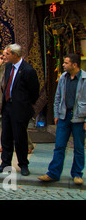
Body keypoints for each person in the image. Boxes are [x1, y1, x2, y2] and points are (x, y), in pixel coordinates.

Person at [0, 44, 39, 176]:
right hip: (7, 107)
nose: (4, 56)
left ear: (15, 55)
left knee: (20, 138)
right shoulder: (7, 67)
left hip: (20, 108)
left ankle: (23, 164)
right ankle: (5, 163)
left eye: (7, 54)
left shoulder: (27, 70)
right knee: (6, 136)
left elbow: (34, 91)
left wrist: (25, 105)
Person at [38, 54, 86, 185]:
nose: (63, 65)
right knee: (59, 146)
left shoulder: (84, 79)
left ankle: (77, 174)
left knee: (79, 147)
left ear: (74, 65)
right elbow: (57, 97)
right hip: (64, 116)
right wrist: (56, 114)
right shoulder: (63, 78)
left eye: (66, 63)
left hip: (79, 116)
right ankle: (53, 173)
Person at [0, 51, 35, 154]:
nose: (4, 57)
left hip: (15, 98)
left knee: (18, 122)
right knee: (6, 123)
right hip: (4, 97)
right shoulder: (3, 66)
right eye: (4, 55)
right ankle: (5, 145)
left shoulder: (17, 67)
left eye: (6, 55)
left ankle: (28, 145)